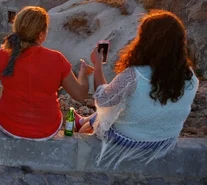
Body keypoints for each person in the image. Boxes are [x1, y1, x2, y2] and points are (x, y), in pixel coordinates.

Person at [76, 10, 199, 168]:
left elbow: (103, 100)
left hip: (131, 140)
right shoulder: (190, 76)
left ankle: (82, 124)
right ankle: (83, 120)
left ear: (146, 40)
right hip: (165, 140)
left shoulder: (135, 75)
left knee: (98, 121)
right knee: (120, 104)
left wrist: (98, 66)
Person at [0, 6, 92, 140]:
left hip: (9, 126)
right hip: (46, 129)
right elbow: (80, 95)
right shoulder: (57, 59)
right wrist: (83, 73)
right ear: (41, 35)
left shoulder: (3, 55)